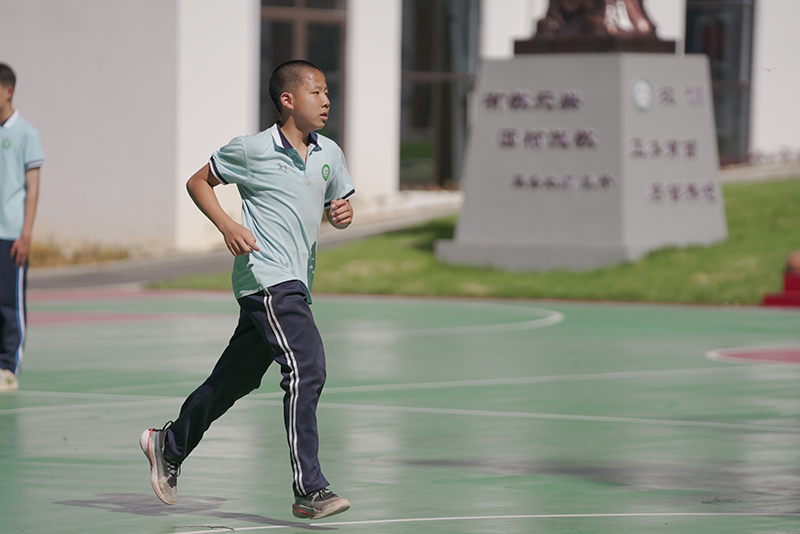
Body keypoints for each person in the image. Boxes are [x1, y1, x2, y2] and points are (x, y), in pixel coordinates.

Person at [140, 59, 355, 520]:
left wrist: (341, 213)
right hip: (267, 278)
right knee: (306, 368)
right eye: (316, 92)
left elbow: (338, 202)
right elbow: (198, 181)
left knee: (236, 379)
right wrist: (226, 224)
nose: (326, 100)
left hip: (296, 281)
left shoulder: (329, 154)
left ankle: (169, 444)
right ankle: (309, 488)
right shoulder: (252, 149)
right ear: (287, 100)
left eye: (326, 92)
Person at [0, 63, 43, 392]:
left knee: (9, 304)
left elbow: (33, 187)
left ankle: (8, 367)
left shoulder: (26, 133)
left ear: (8, 91)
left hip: (11, 234)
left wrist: (26, 233)